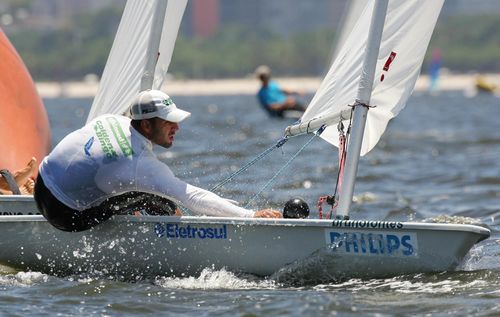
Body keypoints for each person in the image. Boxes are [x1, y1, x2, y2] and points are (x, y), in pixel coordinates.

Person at [34, 89, 282, 232]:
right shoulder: (137, 164)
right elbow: (192, 196)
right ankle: (177, 235)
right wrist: (249, 215)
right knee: (154, 197)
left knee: (133, 190)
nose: (176, 127)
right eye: (168, 122)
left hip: (40, 184)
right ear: (146, 125)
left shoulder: (110, 119)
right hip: (64, 214)